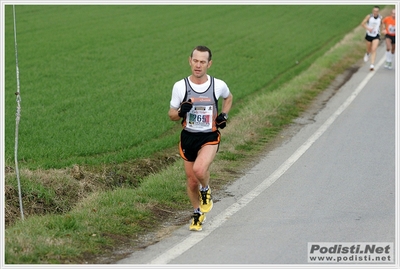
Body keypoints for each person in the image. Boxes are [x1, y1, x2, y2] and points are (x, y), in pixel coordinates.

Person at [168, 45, 233, 231]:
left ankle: (206, 190)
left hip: (209, 136)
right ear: (190, 61)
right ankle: (197, 212)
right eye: (195, 61)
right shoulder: (180, 86)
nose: (198, 65)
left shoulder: (217, 85)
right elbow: (171, 114)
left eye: (202, 62)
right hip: (188, 136)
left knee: (199, 169)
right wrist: (181, 112)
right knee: (191, 181)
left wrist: (224, 115)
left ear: (209, 64)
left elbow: (228, 98)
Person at [361, 6, 383, 71]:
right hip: (369, 35)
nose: (375, 12)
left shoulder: (380, 18)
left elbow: (382, 25)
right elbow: (362, 24)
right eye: (374, 11)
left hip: (376, 35)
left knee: (374, 49)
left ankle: (372, 65)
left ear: (378, 12)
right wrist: (368, 28)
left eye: (377, 11)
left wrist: (383, 30)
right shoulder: (369, 16)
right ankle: (367, 54)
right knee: (369, 49)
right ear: (372, 11)